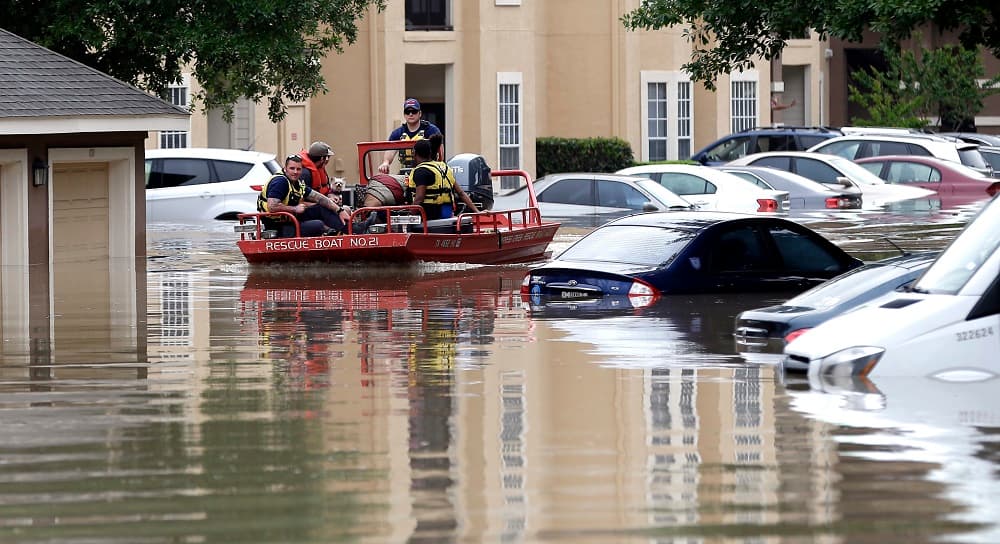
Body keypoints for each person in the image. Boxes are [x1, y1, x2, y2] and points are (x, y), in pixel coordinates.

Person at [257, 154, 352, 237]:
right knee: (318, 225)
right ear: (285, 169)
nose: (295, 172)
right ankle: (345, 232)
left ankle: (351, 230)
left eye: (298, 169)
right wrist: (295, 209)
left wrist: (339, 210)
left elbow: (319, 198)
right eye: (292, 168)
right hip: (278, 226)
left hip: (290, 220)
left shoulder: (297, 184)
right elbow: (272, 206)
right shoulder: (280, 182)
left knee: (321, 208)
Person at [408, 134, 479, 220]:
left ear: (414, 153)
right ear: (430, 153)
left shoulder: (421, 171)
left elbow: (419, 198)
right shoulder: (444, 168)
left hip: (429, 215)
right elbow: (461, 193)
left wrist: (409, 216)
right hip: (447, 212)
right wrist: (477, 211)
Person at [378, 98, 442, 174]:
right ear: (404, 115)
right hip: (405, 173)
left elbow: (440, 151)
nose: (411, 114)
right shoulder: (397, 133)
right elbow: (390, 151)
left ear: (420, 113)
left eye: (414, 111)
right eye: (407, 112)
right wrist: (386, 163)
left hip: (427, 172)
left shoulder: (431, 130)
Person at [298, 141, 341, 205]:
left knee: (346, 209)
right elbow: (303, 199)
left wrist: (330, 196)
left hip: (319, 204)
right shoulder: (305, 173)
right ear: (321, 159)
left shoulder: (319, 169)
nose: (327, 160)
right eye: (327, 157)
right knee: (345, 210)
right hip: (310, 210)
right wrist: (327, 202)